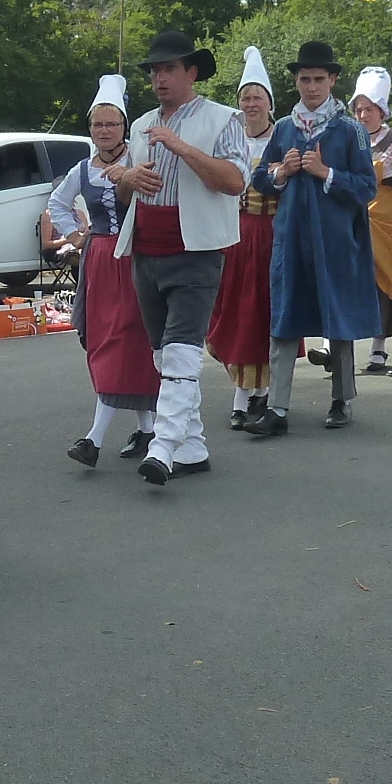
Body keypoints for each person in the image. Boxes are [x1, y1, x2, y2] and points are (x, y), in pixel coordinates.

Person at [106, 30, 248, 482]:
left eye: (169, 69)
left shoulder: (223, 119)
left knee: (183, 350)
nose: (159, 78)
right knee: (163, 356)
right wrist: (129, 178)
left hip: (197, 250)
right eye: (154, 71)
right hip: (147, 249)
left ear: (192, 73)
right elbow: (127, 193)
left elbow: (233, 182)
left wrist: (181, 147)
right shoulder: (143, 122)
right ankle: (192, 447)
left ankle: (163, 446)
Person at [241, 41, 381, 436]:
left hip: (336, 239)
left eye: (320, 79)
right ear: (296, 82)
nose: (312, 87)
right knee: (284, 318)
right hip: (290, 237)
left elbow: (367, 187)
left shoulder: (349, 128)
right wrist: (281, 173)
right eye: (305, 79)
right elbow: (260, 179)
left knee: (335, 317)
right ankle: (277, 408)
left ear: (333, 80)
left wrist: (326, 173)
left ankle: (341, 398)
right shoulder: (285, 128)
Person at [53, 75, 160, 465]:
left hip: (136, 257)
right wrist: (79, 238)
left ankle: (93, 439)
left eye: (111, 123)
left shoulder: (139, 158)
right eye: (97, 124)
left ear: (124, 126)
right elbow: (57, 204)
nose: (104, 130)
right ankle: (148, 430)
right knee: (104, 341)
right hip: (100, 260)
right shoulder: (83, 169)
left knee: (129, 341)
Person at [208, 47, 280, 426]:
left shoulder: (281, 137)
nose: (251, 103)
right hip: (231, 235)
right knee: (233, 312)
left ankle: (258, 395)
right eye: (245, 97)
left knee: (261, 312)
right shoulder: (229, 137)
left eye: (257, 97)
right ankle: (244, 391)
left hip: (268, 234)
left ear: (269, 103)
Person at [349, 66, 392, 370]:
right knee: (350, 279)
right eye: (359, 109)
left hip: (389, 217)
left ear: (382, 110)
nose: (364, 115)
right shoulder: (348, 137)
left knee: (387, 281)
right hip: (354, 214)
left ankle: (379, 346)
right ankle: (335, 345)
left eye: (370, 109)